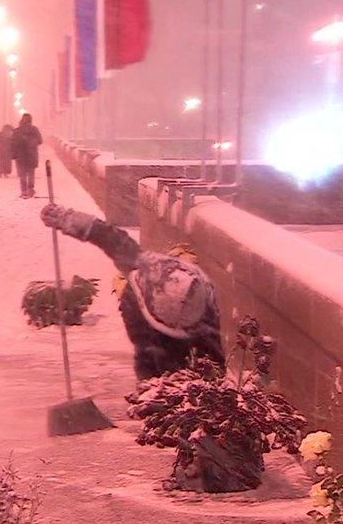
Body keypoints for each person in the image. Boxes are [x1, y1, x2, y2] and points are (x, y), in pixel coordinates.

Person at [40, 204, 225, 379]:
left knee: (183, 362)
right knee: (152, 358)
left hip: (177, 323)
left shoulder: (200, 298)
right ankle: (150, 390)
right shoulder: (143, 267)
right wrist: (67, 218)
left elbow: (214, 354)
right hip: (136, 305)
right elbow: (106, 235)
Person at [12, 113, 43, 198]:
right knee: (31, 174)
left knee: (22, 175)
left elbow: (13, 144)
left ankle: (24, 191)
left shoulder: (17, 131)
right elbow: (40, 141)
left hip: (20, 156)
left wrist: (14, 155)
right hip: (31, 155)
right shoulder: (35, 130)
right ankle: (30, 190)